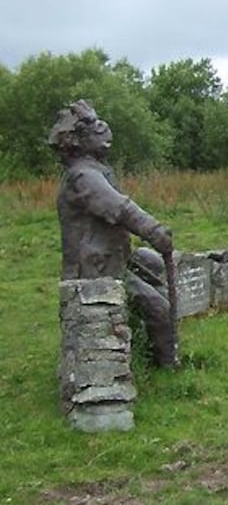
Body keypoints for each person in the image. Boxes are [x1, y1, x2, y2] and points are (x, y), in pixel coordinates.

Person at [49, 100, 180, 369]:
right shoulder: (83, 177)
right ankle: (168, 366)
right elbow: (120, 208)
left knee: (152, 265)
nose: (105, 131)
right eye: (96, 127)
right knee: (159, 308)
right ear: (80, 142)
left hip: (112, 259)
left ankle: (149, 345)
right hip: (96, 269)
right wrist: (154, 232)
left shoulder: (92, 170)